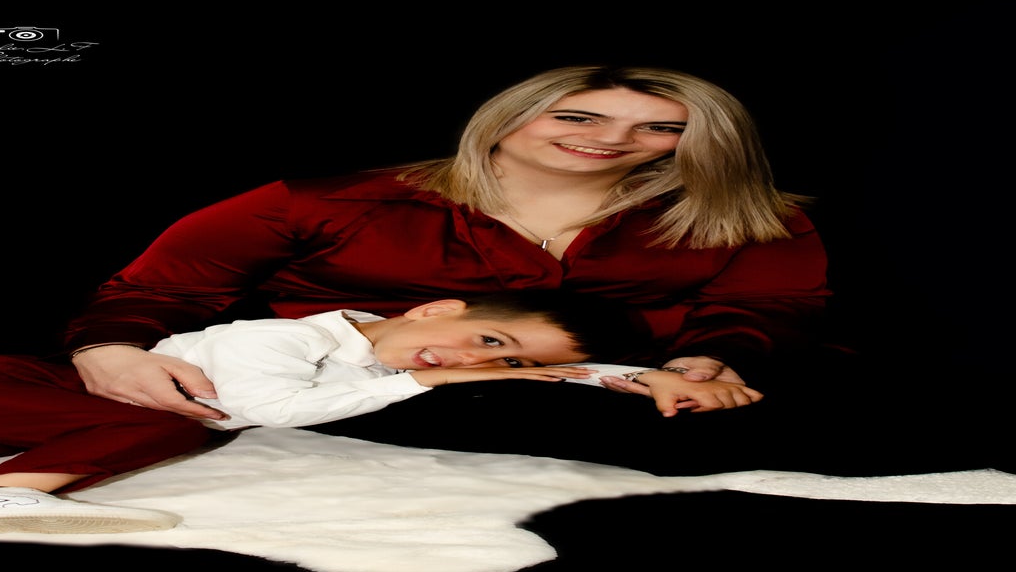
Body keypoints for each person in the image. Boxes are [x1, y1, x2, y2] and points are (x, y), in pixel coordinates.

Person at [56, 64, 1000, 476]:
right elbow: (155, 291)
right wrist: (108, 353)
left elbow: (774, 308)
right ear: (510, 118)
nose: (611, 140)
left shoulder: (753, 213)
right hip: (378, 388)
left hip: (637, 386)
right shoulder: (325, 199)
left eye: (658, 127)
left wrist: (709, 363)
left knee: (925, 413)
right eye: (578, 116)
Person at [0, 290, 749, 535]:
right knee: (175, 425)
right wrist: (426, 387)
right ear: (433, 309)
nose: (474, 364)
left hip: (5, 412)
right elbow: (266, 407)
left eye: (504, 366)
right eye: (487, 341)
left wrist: (656, 377)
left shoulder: (380, 364)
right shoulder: (283, 340)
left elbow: (567, 371)